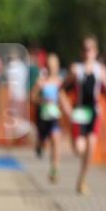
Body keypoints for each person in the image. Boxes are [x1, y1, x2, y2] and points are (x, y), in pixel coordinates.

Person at [62, 36, 106, 195]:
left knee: (91, 146)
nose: (87, 52)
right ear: (81, 51)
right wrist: (67, 109)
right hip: (79, 112)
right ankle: (75, 141)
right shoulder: (75, 69)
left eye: (90, 49)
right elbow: (62, 89)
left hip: (94, 112)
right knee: (80, 149)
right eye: (85, 49)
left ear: (95, 51)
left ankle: (82, 179)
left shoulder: (101, 69)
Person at [32, 53, 64, 184]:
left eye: (54, 66)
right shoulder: (41, 82)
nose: (52, 69)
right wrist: (43, 100)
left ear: (57, 67)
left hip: (55, 116)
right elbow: (33, 97)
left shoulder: (60, 82)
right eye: (50, 66)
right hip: (43, 117)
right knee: (44, 142)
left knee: (56, 140)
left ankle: (54, 169)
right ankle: (39, 145)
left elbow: (64, 99)